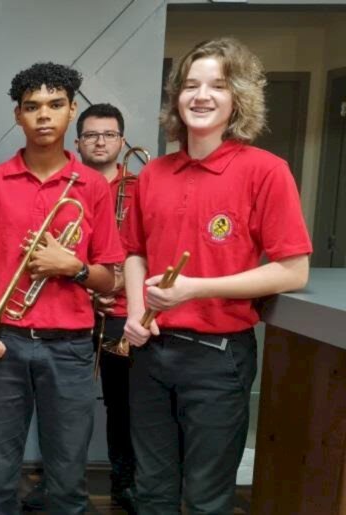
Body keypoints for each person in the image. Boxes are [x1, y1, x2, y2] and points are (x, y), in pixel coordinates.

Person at [122, 37, 311, 514]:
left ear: (238, 99)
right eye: (190, 85)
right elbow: (133, 253)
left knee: (207, 499)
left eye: (217, 86)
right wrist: (138, 310)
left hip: (217, 361)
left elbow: (293, 270)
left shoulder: (266, 171)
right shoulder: (153, 173)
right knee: (151, 492)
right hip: (151, 354)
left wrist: (196, 289)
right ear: (177, 97)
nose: (200, 96)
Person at [0, 62, 125, 514]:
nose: (44, 116)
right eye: (32, 107)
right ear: (18, 115)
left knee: (68, 479)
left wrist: (73, 267)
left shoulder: (91, 186)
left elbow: (110, 278)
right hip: (4, 344)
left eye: (55, 105)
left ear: (71, 112)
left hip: (69, 349)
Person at [76, 102, 138, 512]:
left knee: (124, 406)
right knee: (68, 407)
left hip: (121, 314)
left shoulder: (140, 187)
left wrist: (115, 288)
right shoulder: (66, 185)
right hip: (73, 311)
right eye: (92, 134)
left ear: (121, 141)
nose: (100, 141)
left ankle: (124, 484)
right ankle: (62, 483)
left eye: (109, 134)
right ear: (78, 141)